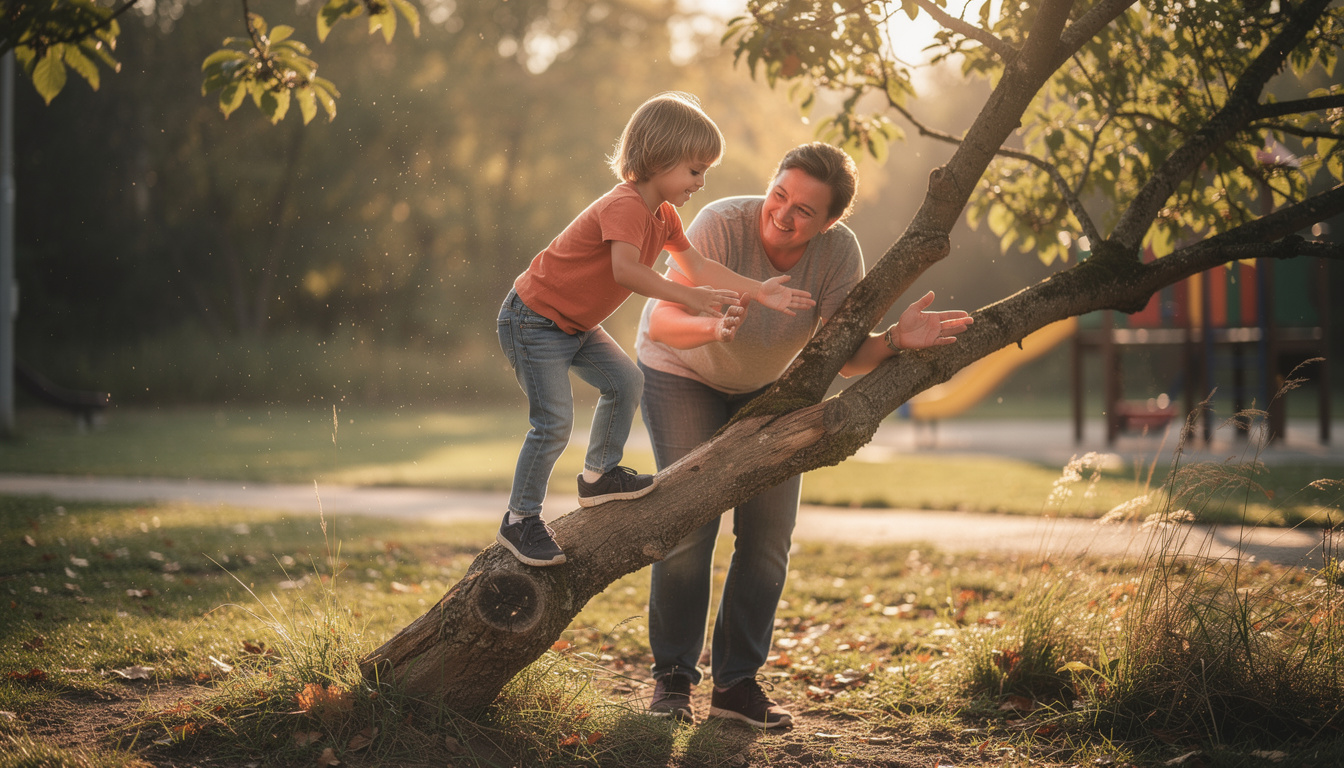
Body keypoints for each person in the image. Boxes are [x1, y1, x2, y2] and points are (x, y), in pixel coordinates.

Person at [635, 142, 973, 727]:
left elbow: (845, 357)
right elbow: (660, 320)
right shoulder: (719, 225)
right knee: (690, 524)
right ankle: (672, 680)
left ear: (831, 222)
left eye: (804, 211)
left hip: (771, 391)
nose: (783, 214)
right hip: (681, 374)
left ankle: (736, 685)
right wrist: (714, 326)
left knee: (768, 534)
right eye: (780, 194)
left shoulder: (839, 254)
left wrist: (896, 339)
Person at [495, 92, 815, 568]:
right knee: (555, 421)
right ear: (660, 158)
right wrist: (685, 297)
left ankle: (598, 477)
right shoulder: (624, 205)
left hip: (575, 324)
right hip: (534, 319)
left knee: (627, 381)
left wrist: (758, 290)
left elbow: (698, 264)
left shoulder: (664, 215)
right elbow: (626, 270)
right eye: (694, 169)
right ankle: (519, 520)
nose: (702, 181)